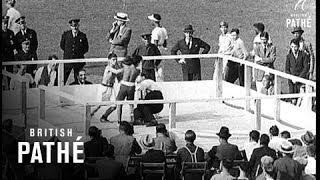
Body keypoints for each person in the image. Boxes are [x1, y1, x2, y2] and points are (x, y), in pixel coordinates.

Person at [60, 18, 89, 84]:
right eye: (73, 26)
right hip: (68, 60)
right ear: (71, 27)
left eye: (76, 26)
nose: (75, 28)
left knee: (78, 78)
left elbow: (86, 48)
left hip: (78, 61)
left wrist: (78, 54)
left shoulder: (82, 36)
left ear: (78, 26)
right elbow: (62, 46)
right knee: (63, 78)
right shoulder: (66, 35)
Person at [97, 53, 123, 122]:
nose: (115, 61)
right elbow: (117, 72)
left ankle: (104, 117)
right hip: (104, 88)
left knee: (114, 105)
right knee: (98, 105)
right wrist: (125, 68)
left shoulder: (115, 68)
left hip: (111, 88)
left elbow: (119, 78)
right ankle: (89, 115)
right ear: (109, 60)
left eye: (116, 60)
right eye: (113, 60)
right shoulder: (108, 67)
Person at [116, 55, 141, 123]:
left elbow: (120, 66)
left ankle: (119, 120)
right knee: (131, 104)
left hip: (124, 85)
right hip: (131, 86)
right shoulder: (137, 70)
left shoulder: (125, 67)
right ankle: (132, 119)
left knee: (119, 103)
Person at [285, 38, 310, 105]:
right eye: (292, 47)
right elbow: (287, 69)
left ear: (298, 47)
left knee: (301, 99)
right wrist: (291, 78)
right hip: (292, 81)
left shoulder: (304, 55)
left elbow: (306, 68)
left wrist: (298, 78)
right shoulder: (289, 56)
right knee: (293, 100)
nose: (293, 49)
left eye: (295, 47)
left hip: (300, 80)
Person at [148, 13, 168, 81]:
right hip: (162, 49)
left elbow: (155, 44)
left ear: (154, 21)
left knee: (156, 69)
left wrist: (154, 53)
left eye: (151, 20)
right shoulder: (164, 29)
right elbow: (165, 43)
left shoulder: (155, 31)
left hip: (156, 50)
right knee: (161, 68)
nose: (150, 22)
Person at [2, 15, 16, 90]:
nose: (5, 25)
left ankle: (9, 89)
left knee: (9, 74)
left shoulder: (11, 33)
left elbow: (14, 45)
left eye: (6, 23)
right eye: (4, 23)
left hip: (9, 57)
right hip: (3, 57)